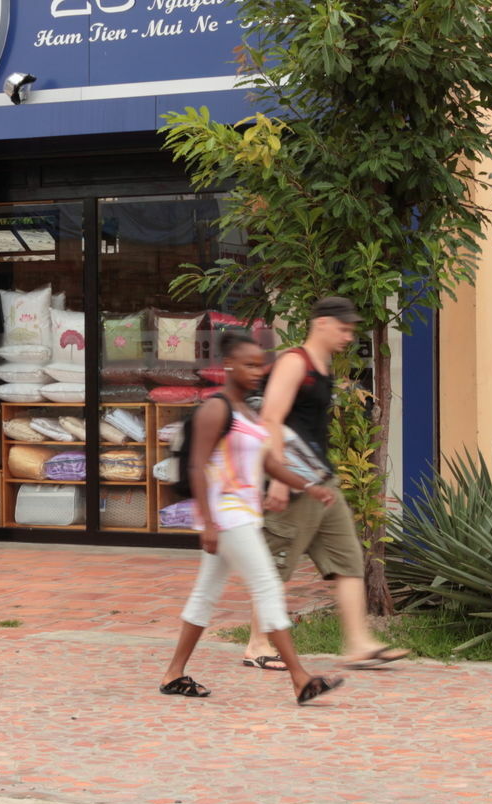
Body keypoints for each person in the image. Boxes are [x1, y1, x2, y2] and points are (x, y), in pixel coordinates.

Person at [159, 332, 344, 705]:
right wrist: (208, 523)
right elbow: (196, 465)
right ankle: (300, 679)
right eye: (249, 364)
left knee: (206, 594)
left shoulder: (247, 412)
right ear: (228, 365)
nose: (258, 371)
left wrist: (308, 486)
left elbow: (270, 462)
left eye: (260, 364)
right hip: (227, 517)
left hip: (243, 514)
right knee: (267, 587)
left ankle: (174, 673)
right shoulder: (217, 408)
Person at [242, 296, 408, 672]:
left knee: (348, 559)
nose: (348, 336)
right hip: (294, 480)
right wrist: (280, 480)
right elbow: (270, 418)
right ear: (321, 324)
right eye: (344, 328)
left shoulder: (324, 365)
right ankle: (257, 643)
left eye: (351, 329)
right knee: (275, 564)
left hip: (321, 480)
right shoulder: (293, 362)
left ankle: (358, 644)